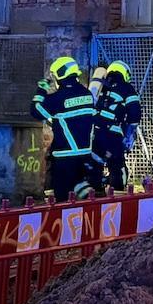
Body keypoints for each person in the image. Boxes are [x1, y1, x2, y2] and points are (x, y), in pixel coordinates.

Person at [33, 55, 100, 201]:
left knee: (63, 198)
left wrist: (41, 91)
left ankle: (65, 221)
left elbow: (36, 111)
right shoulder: (87, 94)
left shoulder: (58, 98)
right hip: (85, 154)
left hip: (64, 156)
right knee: (79, 191)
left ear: (60, 75)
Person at [92, 61, 143, 194]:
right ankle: (118, 197)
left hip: (95, 132)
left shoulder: (100, 87)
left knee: (95, 165)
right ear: (125, 73)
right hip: (112, 134)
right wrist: (129, 134)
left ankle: (95, 196)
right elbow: (134, 114)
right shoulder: (127, 88)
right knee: (117, 167)